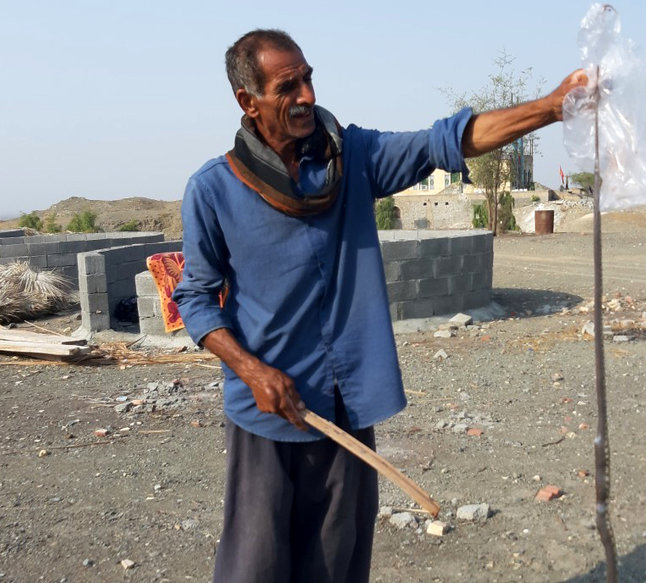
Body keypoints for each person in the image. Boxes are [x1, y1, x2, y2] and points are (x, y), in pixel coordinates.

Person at [174, 28, 589, 583]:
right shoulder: (212, 190)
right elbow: (196, 301)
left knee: (337, 563)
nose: (306, 96)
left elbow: (449, 139)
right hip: (266, 415)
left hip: (347, 406)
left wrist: (551, 107)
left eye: (308, 78)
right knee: (256, 565)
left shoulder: (354, 159)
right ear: (248, 102)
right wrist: (252, 371)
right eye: (286, 86)